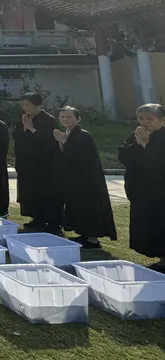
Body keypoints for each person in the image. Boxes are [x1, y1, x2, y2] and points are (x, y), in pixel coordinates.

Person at [54, 106, 117, 249]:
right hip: (75, 179)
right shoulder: (68, 134)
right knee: (78, 207)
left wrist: (64, 143)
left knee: (89, 208)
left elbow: (78, 156)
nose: (65, 120)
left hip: (87, 180)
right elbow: (66, 156)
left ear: (78, 119)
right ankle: (84, 234)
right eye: (62, 117)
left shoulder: (83, 135)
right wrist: (62, 143)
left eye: (69, 117)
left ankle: (93, 240)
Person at [118, 103, 165, 272]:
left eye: (150, 119)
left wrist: (146, 145)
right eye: (141, 118)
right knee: (149, 225)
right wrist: (138, 145)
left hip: (160, 191)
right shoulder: (137, 134)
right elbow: (125, 157)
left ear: (162, 120)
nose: (145, 122)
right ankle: (162, 260)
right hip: (143, 190)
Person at [12, 92, 63, 233]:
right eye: (23, 105)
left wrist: (32, 129)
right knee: (32, 192)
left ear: (38, 105)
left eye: (28, 105)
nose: (25, 108)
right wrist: (24, 128)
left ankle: (54, 223)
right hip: (28, 163)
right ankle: (38, 218)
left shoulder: (48, 120)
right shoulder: (24, 118)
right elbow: (16, 135)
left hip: (45, 164)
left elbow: (50, 141)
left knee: (47, 192)